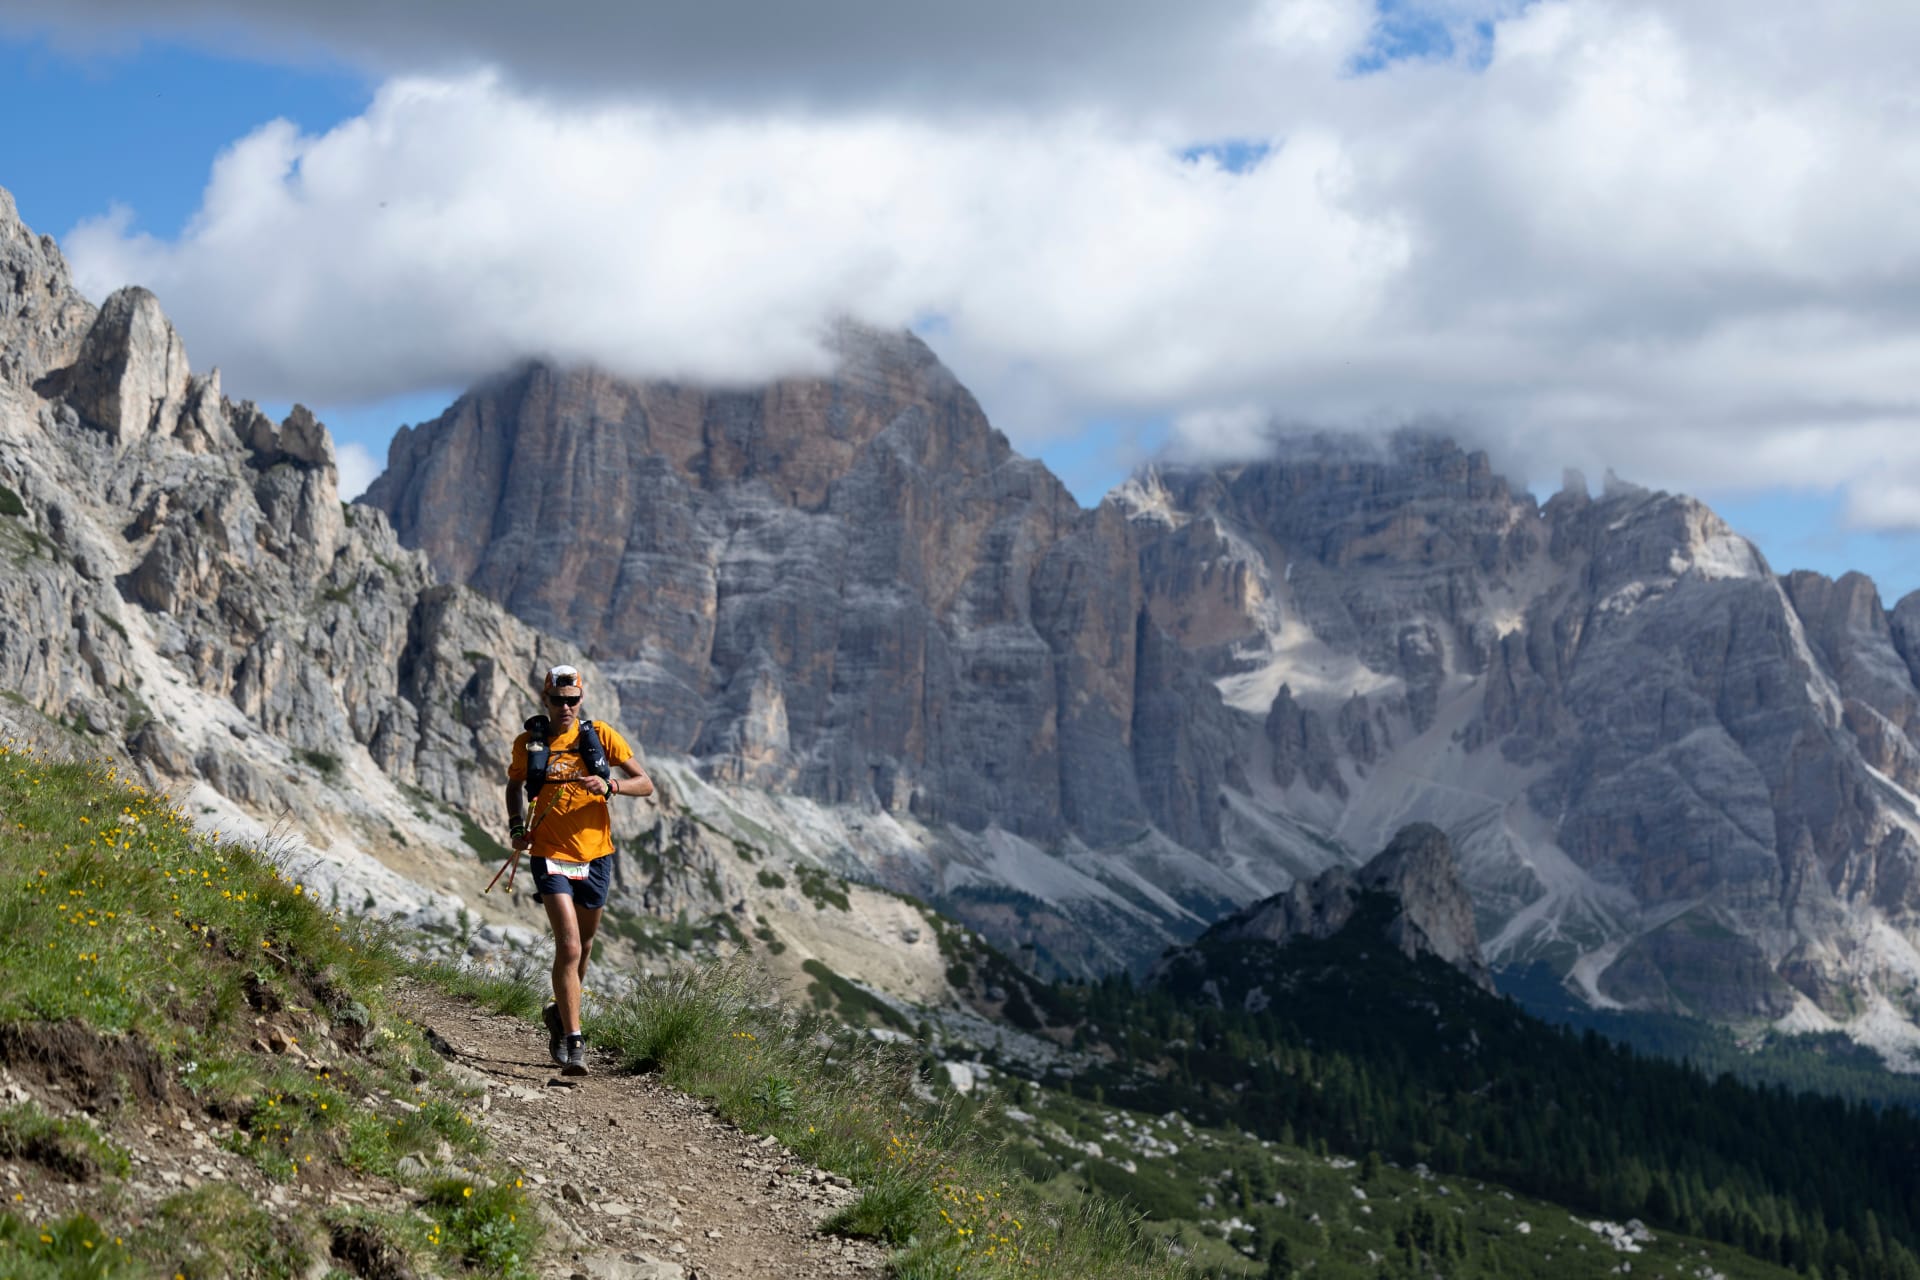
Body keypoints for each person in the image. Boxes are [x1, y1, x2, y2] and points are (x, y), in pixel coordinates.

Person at [505, 664, 653, 1074]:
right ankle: (574, 1040)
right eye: (558, 700)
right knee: (568, 947)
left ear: (580, 699)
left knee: (584, 948)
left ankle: (558, 1014)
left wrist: (611, 786)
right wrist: (518, 827)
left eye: (573, 700)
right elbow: (514, 785)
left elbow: (645, 783)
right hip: (549, 855)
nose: (566, 707)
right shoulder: (529, 744)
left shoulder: (600, 736)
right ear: (545, 699)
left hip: (596, 856)